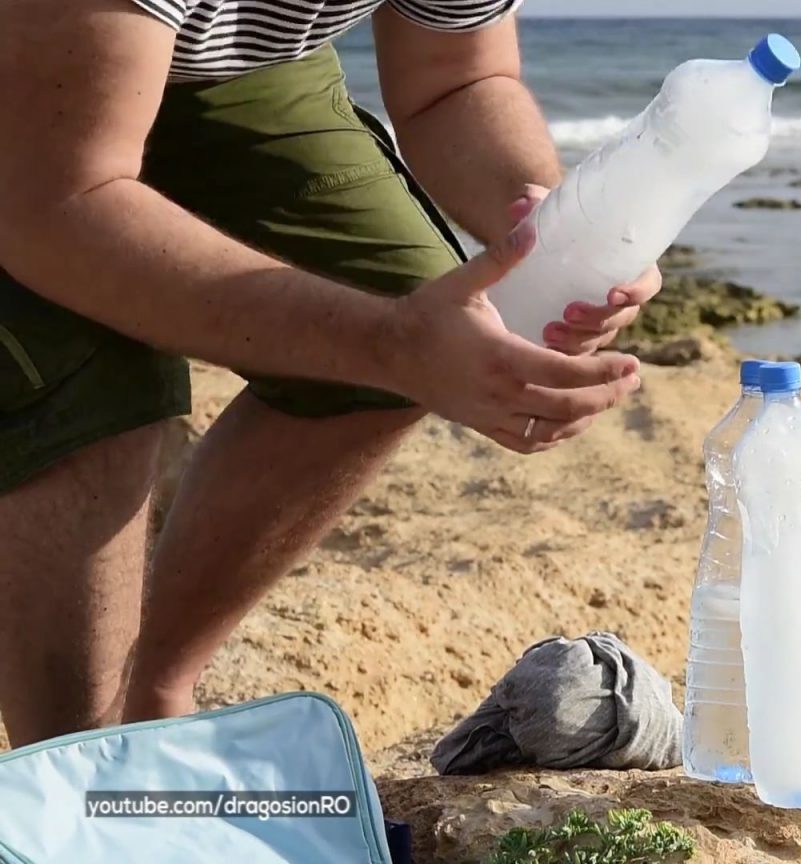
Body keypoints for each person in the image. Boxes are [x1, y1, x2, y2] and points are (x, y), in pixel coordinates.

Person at [0, 0, 662, 748]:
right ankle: (75, 777)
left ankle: (155, 695)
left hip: (228, 65)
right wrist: (389, 343)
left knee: (398, 313)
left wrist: (554, 229)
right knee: (90, 401)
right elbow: (52, 206)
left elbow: (457, 80)